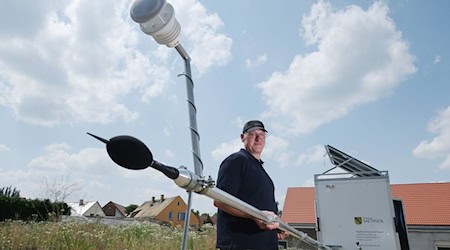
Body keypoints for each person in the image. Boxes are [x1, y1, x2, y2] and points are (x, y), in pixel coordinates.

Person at [214, 120, 286, 250]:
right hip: (242, 244)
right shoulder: (237, 161)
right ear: (243, 137)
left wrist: (277, 227)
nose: (258, 138)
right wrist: (255, 216)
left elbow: (263, 207)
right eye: (253, 134)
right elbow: (220, 201)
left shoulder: (261, 170)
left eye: (262, 134)